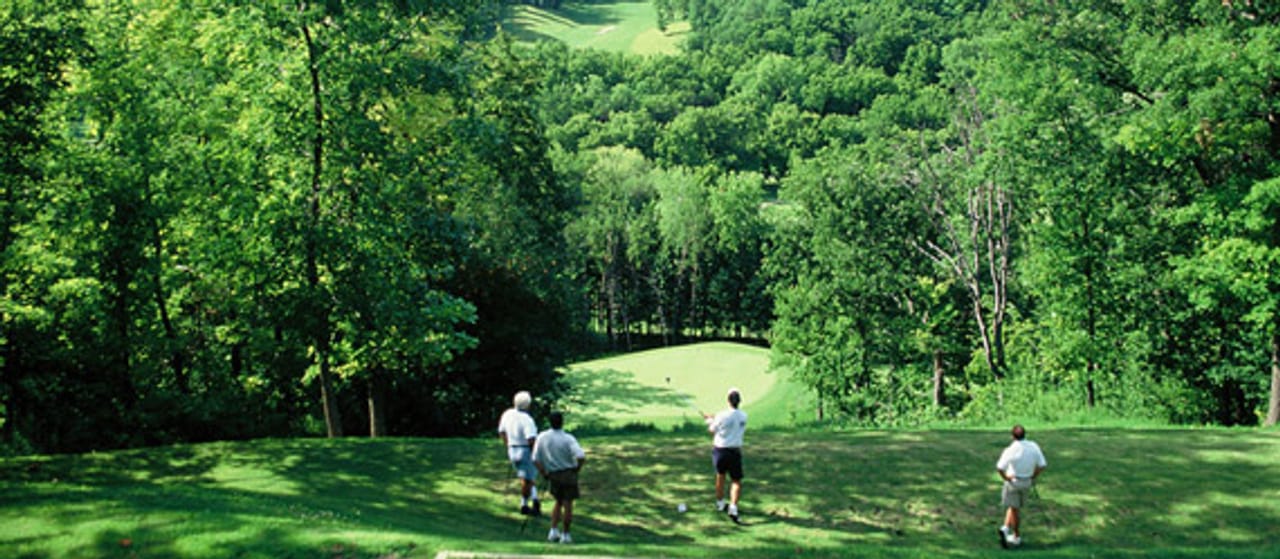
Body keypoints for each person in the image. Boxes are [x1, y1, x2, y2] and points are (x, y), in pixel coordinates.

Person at [533, 411, 586, 544]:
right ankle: (566, 534)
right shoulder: (568, 438)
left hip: (553, 473)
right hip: (568, 473)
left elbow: (535, 459)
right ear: (562, 422)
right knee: (568, 504)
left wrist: (544, 472)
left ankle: (553, 530)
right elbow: (580, 456)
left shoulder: (542, 437)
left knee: (558, 502)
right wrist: (577, 468)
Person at [995, 424, 1047, 548]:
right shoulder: (1033, 446)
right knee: (1014, 507)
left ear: (1012, 436)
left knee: (1014, 509)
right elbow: (1042, 465)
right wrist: (1033, 475)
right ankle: (1007, 529)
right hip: (1027, 481)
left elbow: (1000, 467)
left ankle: (1015, 535)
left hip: (1014, 482)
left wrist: (1006, 478)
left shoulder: (1010, 449)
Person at [703, 387, 747, 523]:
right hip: (735, 451)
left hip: (720, 451)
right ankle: (733, 507)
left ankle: (720, 503)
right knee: (736, 481)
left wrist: (710, 421)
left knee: (720, 476)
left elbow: (712, 430)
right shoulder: (743, 416)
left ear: (728, 401)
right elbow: (729, 423)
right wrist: (713, 419)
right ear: (739, 401)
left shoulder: (721, 415)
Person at [497, 390, 540, 516]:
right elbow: (530, 439)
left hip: (512, 449)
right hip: (525, 449)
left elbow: (502, 432)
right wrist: (536, 452)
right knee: (528, 479)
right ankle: (524, 504)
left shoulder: (507, 414)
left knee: (525, 477)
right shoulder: (527, 419)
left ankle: (535, 499)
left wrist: (508, 444)